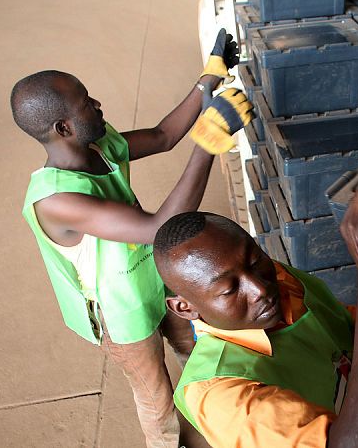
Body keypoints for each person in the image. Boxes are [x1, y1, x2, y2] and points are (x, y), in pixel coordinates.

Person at [13, 30, 251, 447]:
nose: (98, 104)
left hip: (156, 278)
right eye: (87, 102)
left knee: (201, 351)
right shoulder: (57, 200)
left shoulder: (98, 146)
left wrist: (207, 80)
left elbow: (162, 136)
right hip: (120, 315)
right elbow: (160, 227)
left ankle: (222, 417)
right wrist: (209, 142)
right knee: (156, 396)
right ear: (63, 126)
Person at [152, 191, 358, 448]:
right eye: (229, 290)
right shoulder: (220, 397)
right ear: (184, 308)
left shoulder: (282, 282)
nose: (260, 290)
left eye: (255, 260)